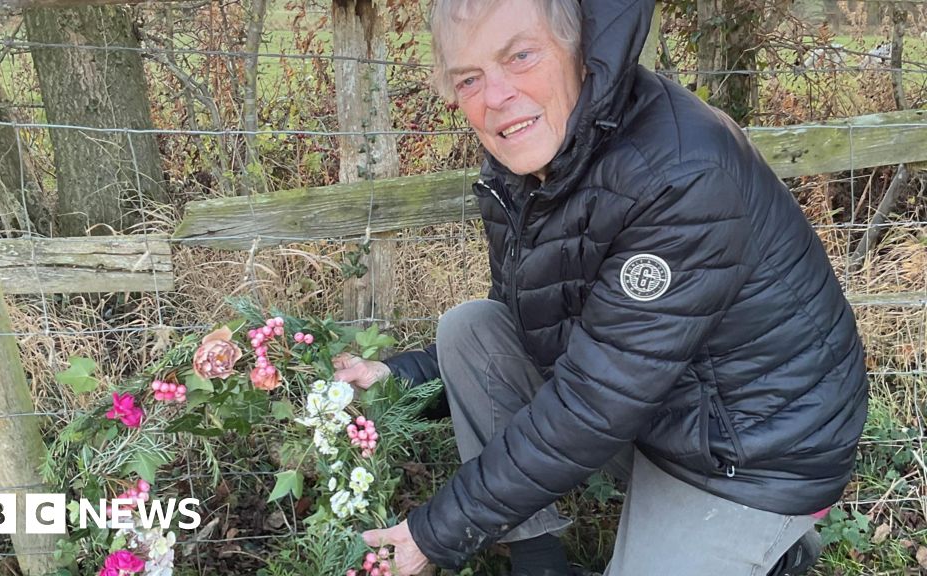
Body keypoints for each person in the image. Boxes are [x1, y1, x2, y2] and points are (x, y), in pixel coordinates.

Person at [332, 0, 869, 574]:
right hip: (659, 405)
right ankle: (538, 563)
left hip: (752, 450)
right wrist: (403, 377)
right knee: (471, 331)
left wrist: (437, 531)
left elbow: (595, 400)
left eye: (520, 55)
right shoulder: (525, 162)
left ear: (580, 51)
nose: (495, 97)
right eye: (469, 78)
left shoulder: (681, 175)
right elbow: (541, 323)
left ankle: (773, 546)